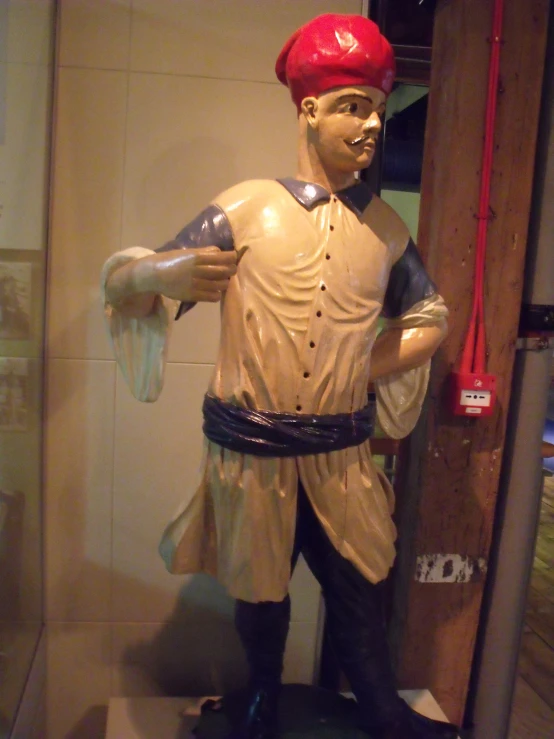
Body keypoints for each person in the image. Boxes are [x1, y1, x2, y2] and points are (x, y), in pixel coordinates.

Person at [102, 13, 456, 739]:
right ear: (310, 109)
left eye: (377, 111)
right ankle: (259, 699)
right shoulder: (244, 208)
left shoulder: (386, 231)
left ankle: (383, 709)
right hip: (251, 452)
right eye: (353, 107)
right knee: (260, 593)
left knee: (359, 586)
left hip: (340, 454)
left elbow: (430, 316)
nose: (370, 128)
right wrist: (157, 268)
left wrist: (365, 366)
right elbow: (125, 287)